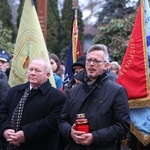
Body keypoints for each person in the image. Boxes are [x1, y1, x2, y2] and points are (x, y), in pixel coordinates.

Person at [59, 44, 130, 150]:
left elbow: (123, 125)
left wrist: (95, 137)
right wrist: (70, 132)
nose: (91, 64)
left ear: (106, 65)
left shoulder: (117, 91)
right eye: (89, 60)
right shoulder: (73, 91)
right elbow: (62, 120)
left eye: (96, 61)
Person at [0, 58, 66, 150]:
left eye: (37, 70)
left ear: (47, 75)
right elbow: (3, 112)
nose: (33, 73)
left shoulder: (57, 97)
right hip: (8, 145)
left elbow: (51, 122)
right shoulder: (15, 91)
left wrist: (25, 134)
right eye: (30, 69)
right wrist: (4, 130)